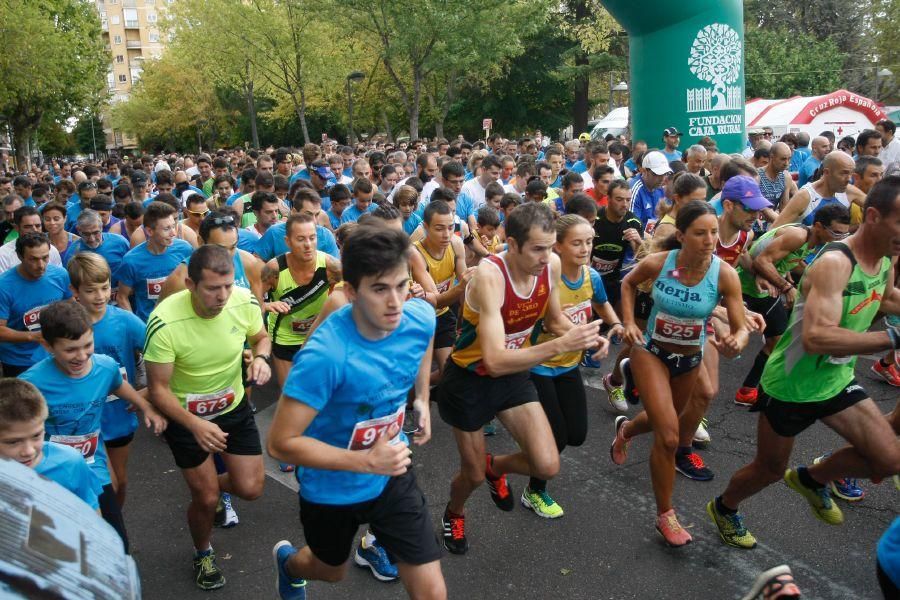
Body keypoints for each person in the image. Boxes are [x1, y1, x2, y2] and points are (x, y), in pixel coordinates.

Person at [708, 176, 900, 550]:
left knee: (890, 458)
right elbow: (817, 337)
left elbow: (887, 298)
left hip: (837, 380)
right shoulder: (835, 263)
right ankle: (725, 507)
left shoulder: (883, 261)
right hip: (791, 386)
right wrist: (891, 339)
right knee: (769, 470)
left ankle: (813, 478)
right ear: (874, 216)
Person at [267, 226, 447, 600]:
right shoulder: (325, 357)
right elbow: (281, 444)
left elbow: (424, 334)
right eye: (380, 289)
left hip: (391, 471)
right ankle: (287, 564)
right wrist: (365, 460)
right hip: (331, 484)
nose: (396, 302)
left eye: (401, 285)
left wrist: (421, 398)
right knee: (330, 571)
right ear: (351, 293)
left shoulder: (417, 316)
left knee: (432, 592)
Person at [438, 202, 604, 554]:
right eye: (538, 249)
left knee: (547, 463)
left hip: (513, 376)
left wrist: (585, 334)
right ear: (512, 245)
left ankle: (496, 466)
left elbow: (555, 320)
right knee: (471, 476)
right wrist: (561, 344)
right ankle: (454, 512)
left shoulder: (551, 266)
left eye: (551, 246)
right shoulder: (490, 275)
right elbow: (495, 360)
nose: (547, 257)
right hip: (469, 379)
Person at [610, 201, 749, 546]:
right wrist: (628, 322)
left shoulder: (723, 275)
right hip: (651, 352)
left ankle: (626, 430)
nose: (710, 240)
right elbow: (628, 283)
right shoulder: (664, 265)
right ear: (682, 235)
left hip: (689, 360)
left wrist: (737, 339)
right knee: (669, 437)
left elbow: (740, 327)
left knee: (663, 420)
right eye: (700, 233)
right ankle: (665, 516)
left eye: (714, 232)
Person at [144, 245, 272, 590]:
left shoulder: (243, 301)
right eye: (212, 288)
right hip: (186, 417)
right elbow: (157, 390)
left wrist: (261, 357)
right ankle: (203, 553)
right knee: (205, 498)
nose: (222, 296)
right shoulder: (165, 321)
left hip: (233, 409)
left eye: (228, 286)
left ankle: (210, 489)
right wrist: (194, 424)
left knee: (251, 488)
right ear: (190, 284)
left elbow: (260, 337)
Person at [21, 300, 166, 550]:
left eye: (87, 345)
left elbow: (117, 384)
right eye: (70, 350)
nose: (81, 356)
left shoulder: (104, 366)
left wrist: (146, 407)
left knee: (116, 542)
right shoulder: (31, 384)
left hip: (92, 468)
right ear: (48, 346)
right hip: (48, 472)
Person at [527, 214, 620, 516]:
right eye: (577, 243)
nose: (585, 249)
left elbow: (601, 303)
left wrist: (616, 324)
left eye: (589, 242)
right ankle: (535, 490)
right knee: (556, 435)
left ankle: (515, 462)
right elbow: (548, 323)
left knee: (576, 435)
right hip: (538, 364)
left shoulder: (591, 277)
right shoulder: (544, 279)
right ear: (558, 247)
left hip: (568, 365)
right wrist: (588, 338)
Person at [735, 204, 851, 406]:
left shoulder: (814, 242)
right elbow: (762, 261)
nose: (840, 238)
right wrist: (788, 288)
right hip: (744, 287)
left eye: (844, 234)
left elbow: (791, 261)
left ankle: (748, 391)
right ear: (818, 226)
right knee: (723, 341)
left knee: (777, 341)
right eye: (835, 232)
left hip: (764, 291)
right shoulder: (798, 235)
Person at [262, 214, 342, 385]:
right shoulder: (273, 269)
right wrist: (268, 305)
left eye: (312, 238)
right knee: (290, 392)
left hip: (318, 335)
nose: (308, 245)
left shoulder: (331, 266)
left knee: (319, 392)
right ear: (288, 241)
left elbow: (353, 292)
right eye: (300, 239)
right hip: (285, 337)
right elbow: (250, 302)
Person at [0, 378, 103, 510]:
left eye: (36, 436)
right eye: (13, 442)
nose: (29, 451)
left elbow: (92, 513)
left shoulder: (70, 462)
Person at [413, 200, 473, 385]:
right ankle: (410, 395)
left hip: (443, 316)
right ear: (425, 227)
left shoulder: (456, 243)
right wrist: (463, 285)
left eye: (450, 227)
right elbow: (436, 301)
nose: (446, 234)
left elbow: (466, 286)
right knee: (410, 376)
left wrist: (466, 320)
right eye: (439, 228)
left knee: (450, 370)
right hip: (417, 320)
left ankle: (419, 392)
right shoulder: (414, 252)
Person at [0, 233, 72, 376]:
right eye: (33, 259)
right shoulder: (3, 286)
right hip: (19, 361)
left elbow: (71, 308)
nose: (41, 265)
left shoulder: (60, 275)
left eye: (45, 258)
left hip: (56, 354)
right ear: (20, 257)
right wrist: (34, 337)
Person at [116, 202, 194, 322]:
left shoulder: (185, 249)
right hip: (151, 324)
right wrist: (137, 326)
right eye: (167, 229)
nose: (173, 233)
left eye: (173, 226)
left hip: (181, 321)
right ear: (149, 231)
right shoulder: (131, 261)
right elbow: (122, 297)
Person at [774, 151, 862, 228]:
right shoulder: (805, 196)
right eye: (844, 173)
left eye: (851, 174)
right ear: (827, 172)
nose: (849, 179)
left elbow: (874, 207)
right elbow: (773, 231)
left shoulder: (849, 190)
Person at [0, 206, 64, 273]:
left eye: (38, 226)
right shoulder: (3, 254)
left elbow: (58, 276)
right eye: (28, 227)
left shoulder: (52, 250)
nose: (35, 230)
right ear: (16, 228)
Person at [630, 151, 671, 235]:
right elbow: (632, 227)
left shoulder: (662, 188)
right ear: (644, 171)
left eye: (665, 173)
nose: (662, 178)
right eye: (657, 174)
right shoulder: (635, 190)